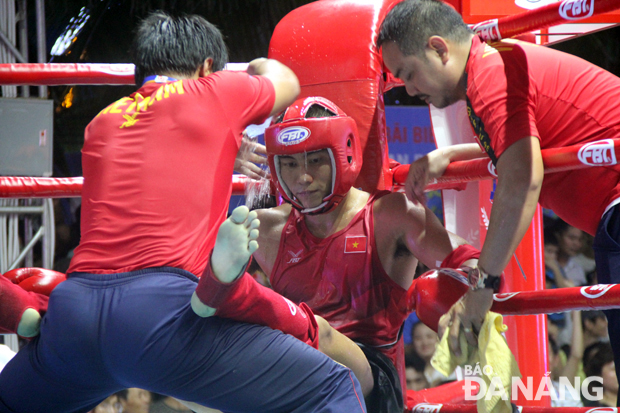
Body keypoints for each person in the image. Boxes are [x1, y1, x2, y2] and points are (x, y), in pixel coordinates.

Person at [0, 12, 367, 413]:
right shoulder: (214, 91)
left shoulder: (100, 123)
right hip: (165, 314)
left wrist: (226, 146)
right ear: (207, 67)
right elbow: (285, 80)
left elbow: (152, 171)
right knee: (331, 387)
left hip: (75, 315)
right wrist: (249, 74)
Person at [377, 0, 620, 394]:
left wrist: (482, 286)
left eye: (408, 74)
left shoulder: (492, 74)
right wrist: (450, 155)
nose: (407, 88)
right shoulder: (493, 67)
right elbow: (525, 148)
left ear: (439, 48)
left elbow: (521, 179)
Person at [191, 96, 480, 412]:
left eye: (315, 160)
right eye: (289, 164)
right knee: (186, 375)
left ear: (344, 154)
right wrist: (214, 166)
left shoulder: (392, 215)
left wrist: (466, 299)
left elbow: (472, 261)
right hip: (296, 368)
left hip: (371, 380)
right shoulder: (266, 228)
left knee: (320, 334)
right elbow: (188, 280)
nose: (302, 177)